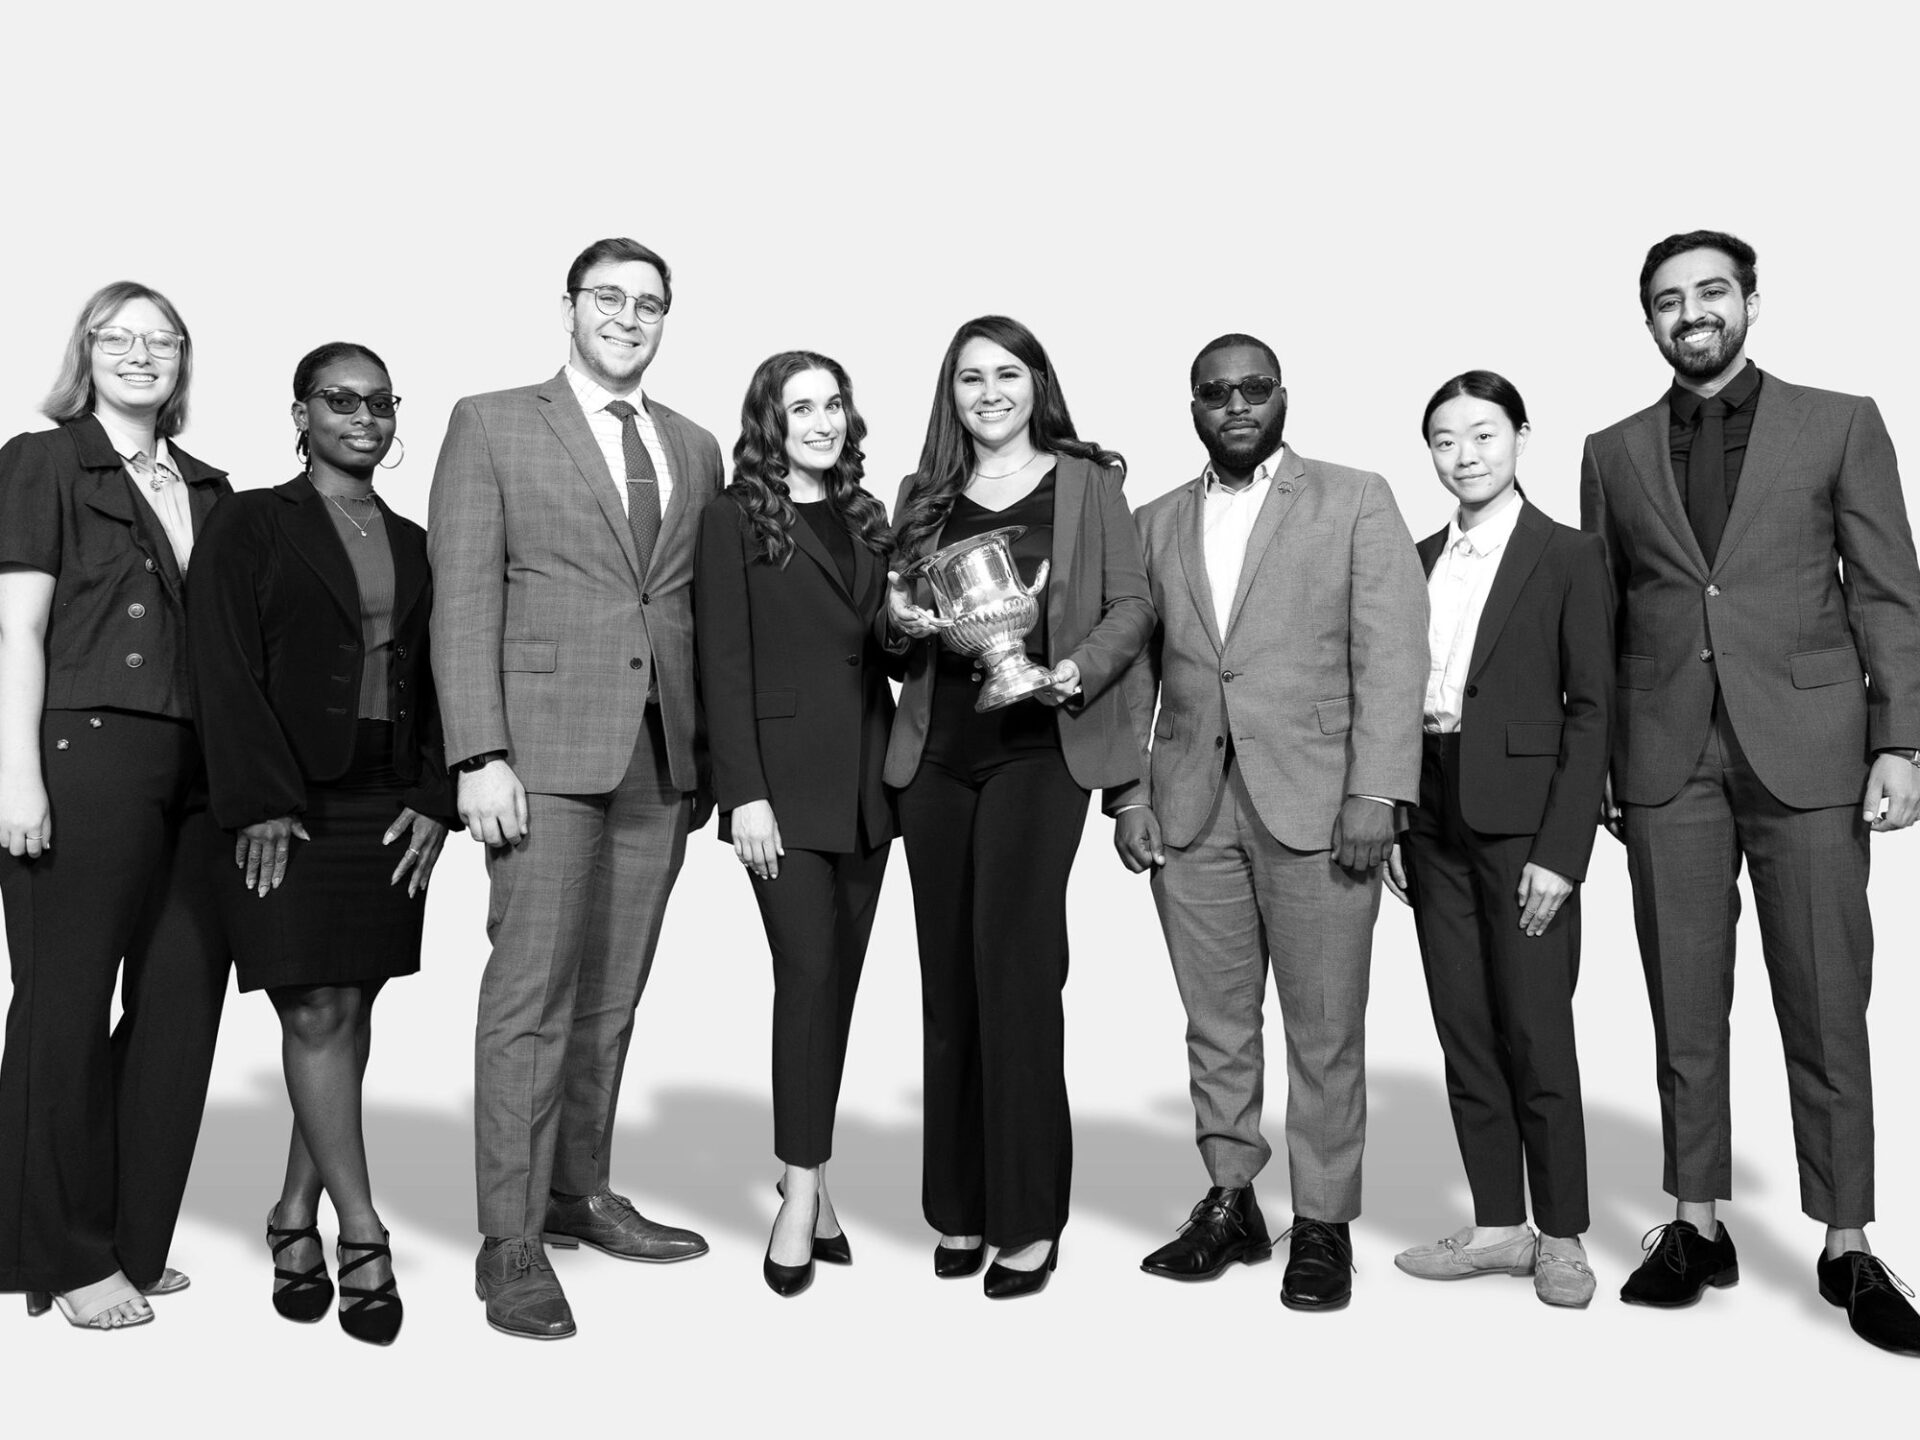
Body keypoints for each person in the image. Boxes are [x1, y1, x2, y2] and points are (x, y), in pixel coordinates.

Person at [1583, 230, 1920, 1354]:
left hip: (1813, 749)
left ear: (1752, 303)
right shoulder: (1612, 450)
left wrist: (1902, 742)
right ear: (1650, 322)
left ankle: (1848, 1240)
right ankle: (1695, 1223)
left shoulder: (1840, 422)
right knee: (1685, 998)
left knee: (1826, 998)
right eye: (1670, 301)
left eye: (1712, 293)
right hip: (1665, 758)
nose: (1693, 314)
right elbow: (1607, 618)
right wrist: (1602, 767)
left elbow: (1887, 591)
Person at [429, 238, 724, 1340]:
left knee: (609, 998)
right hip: (539, 758)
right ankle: (508, 1239)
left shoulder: (693, 446)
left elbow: (692, 604)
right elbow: (461, 596)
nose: (629, 317)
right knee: (531, 998)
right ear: (569, 307)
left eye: (649, 303)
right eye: (609, 297)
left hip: (659, 762)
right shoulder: (492, 421)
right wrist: (477, 754)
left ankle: (576, 1193)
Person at [1116, 333, 1426, 1311]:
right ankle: (1231, 1199)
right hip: (1189, 810)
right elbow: (1131, 669)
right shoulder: (1155, 521)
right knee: (1215, 1024)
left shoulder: (1355, 498)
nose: (1237, 405)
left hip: (1324, 806)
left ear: (1281, 396)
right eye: (1217, 392)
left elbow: (1393, 655)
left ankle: (1323, 1222)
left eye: (1254, 389)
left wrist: (1378, 790)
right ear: (1195, 406)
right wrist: (1127, 795)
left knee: (1325, 1030)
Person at [188, 342, 453, 1345]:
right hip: (286, 801)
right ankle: (364, 1231)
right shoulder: (251, 523)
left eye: (381, 403)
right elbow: (220, 663)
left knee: (349, 999)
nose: (364, 418)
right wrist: (255, 798)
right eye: (341, 401)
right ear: (300, 414)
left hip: (389, 798)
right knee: (312, 1008)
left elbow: (441, 675)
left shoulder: (419, 541)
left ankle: (291, 1213)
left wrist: (435, 793)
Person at [886, 315, 1153, 1298]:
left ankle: (1028, 1217)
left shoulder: (1089, 483)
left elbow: (1131, 606)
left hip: (1040, 750)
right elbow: (888, 617)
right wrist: (898, 619)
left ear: (1038, 383)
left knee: (1017, 973)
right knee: (948, 984)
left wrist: (1072, 669)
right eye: (969, 379)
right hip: (936, 758)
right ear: (949, 396)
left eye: (1007, 374)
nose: (989, 392)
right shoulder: (922, 495)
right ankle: (959, 1209)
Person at [0, 282, 230, 1329]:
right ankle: (62, 1253)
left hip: (200, 771)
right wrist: (14, 775)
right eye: (118, 336)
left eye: (162, 339)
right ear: (85, 350)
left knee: (182, 1006)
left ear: (184, 360)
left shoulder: (210, 487)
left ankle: (133, 1241)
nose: (142, 353)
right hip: (81, 749)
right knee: (63, 1004)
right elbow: (16, 633)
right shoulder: (42, 461)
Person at [1384, 371, 1611, 1307]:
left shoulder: (1569, 554)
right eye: (1444, 440)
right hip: (1431, 808)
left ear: (1521, 436)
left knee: (1536, 1027)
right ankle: (1498, 1227)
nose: (1464, 455)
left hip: (1525, 820)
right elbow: (1396, 694)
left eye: (1483, 435)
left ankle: (1561, 1236)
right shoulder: (1415, 554)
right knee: (1464, 1027)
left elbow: (1593, 709)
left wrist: (1563, 852)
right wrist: (1396, 812)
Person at [694, 352, 897, 1298]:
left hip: (867, 785)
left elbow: (884, 652)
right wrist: (745, 796)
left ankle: (803, 1167)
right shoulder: (734, 516)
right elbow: (722, 664)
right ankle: (802, 1191)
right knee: (806, 974)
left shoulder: (867, 516)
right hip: (780, 791)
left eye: (833, 403)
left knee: (839, 985)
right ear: (769, 422)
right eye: (800, 406)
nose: (820, 420)